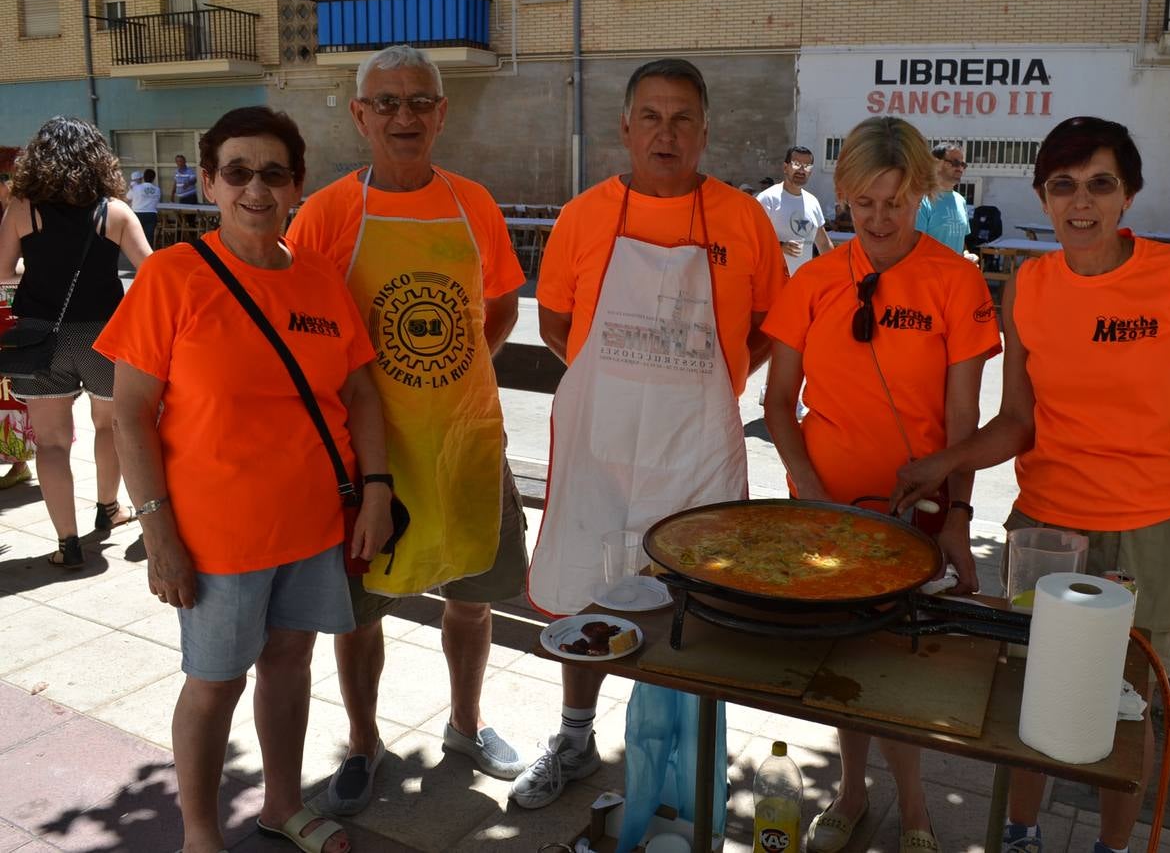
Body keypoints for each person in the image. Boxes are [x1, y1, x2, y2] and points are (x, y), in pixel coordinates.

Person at [893, 116, 1170, 853]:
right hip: (1045, 532)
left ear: (1128, 195)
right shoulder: (1028, 286)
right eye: (1063, 185)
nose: (1081, 202)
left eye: (1101, 184)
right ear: (1042, 196)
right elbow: (1018, 422)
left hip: (1151, 533)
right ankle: (1021, 832)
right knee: (1033, 691)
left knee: (1128, 707)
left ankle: (1113, 846)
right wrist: (947, 462)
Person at [95, 105, 393, 853]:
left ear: (298, 186)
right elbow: (130, 415)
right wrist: (158, 534)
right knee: (215, 682)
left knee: (291, 663)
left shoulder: (322, 279)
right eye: (237, 172)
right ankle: (200, 836)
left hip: (313, 522)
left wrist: (379, 488)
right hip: (215, 536)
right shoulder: (172, 276)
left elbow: (359, 394)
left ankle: (283, 805)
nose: (255, 189)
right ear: (209, 182)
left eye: (273, 173)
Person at [516, 58, 786, 809]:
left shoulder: (742, 218)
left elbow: (772, 325)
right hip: (602, 447)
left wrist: (718, 383)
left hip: (695, 449)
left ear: (704, 132)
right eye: (651, 118)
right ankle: (574, 737)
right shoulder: (583, 215)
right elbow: (554, 322)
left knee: (692, 599)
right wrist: (616, 385)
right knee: (588, 593)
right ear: (625, 128)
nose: (665, 133)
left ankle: (689, 752)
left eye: (682, 119)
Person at [286, 43, 530, 813]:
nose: (404, 116)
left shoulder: (474, 203)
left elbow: (500, 306)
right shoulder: (327, 213)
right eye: (386, 103)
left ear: (441, 115)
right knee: (359, 615)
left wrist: (455, 374)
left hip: (465, 446)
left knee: (473, 595)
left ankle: (466, 721)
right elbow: (306, 332)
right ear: (360, 116)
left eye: (419, 101)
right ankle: (363, 742)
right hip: (368, 460)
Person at [762, 116, 1000, 853]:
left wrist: (958, 515)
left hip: (916, 515)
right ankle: (850, 793)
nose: (878, 219)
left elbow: (965, 416)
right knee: (844, 664)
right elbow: (777, 404)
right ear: (843, 196)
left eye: (895, 202)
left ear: (922, 194)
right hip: (828, 517)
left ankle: (918, 809)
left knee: (905, 665)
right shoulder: (815, 281)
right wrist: (808, 487)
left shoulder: (956, 281)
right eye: (864, 202)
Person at [0, 117, 151, 568]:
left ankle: (67, 545)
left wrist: (36, 272)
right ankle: (109, 510)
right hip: (105, 337)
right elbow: (152, 273)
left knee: (50, 443)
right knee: (110, 427)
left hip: (42, 337)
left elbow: (3, 272)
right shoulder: (116, 211)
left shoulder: (23, 208)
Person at [0, 163, 35, 490]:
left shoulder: (22, 212)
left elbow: (37, 261)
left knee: (16, 387)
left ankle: (21, 462)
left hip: (15, 309)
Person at [757, 145, 835, 276]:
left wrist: (838, 271)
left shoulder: (812, 202)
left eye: (807, 166)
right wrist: (780, 246)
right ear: (785, 167)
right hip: (771, 282)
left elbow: (824, 244)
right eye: (797, 164)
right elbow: (752, 238)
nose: (802, 170)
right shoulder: (767, 199)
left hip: (802, 284)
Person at [914, 142, 978, 264]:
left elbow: (959, 241)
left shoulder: (961, 201)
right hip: (929, 277)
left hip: (955, 277)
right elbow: (914, 245)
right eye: (955, 163)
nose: (960, 168)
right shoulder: (922, 200)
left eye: (963, 164)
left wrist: (967, 255)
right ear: (935, 164)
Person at [127, 167, 162, 248]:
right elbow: (157, 201)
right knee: (149, 237)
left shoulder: (136, 188)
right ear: (153, 178)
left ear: (143, 178)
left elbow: (127, 199)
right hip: (151, 214)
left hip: (137, 214)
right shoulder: (157, 189)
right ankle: (148, 256)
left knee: (137, 236)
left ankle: (136, 255)